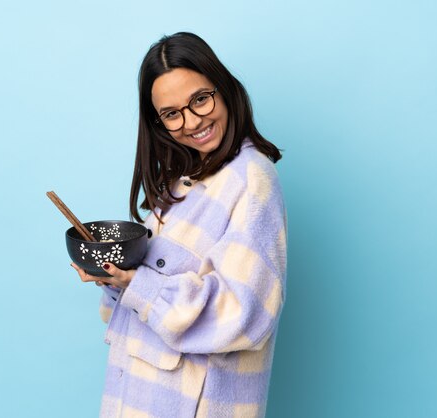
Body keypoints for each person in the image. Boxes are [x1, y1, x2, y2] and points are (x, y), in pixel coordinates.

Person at [71, 32, 287, 418]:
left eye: (200, 99)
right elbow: (142, 304)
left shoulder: (252, 179)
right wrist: (115, 279)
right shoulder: (182, 182)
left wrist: (137, 284)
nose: (192, 122)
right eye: (172, 113)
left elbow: (245, 314)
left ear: (224, 89)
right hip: (135, 399)